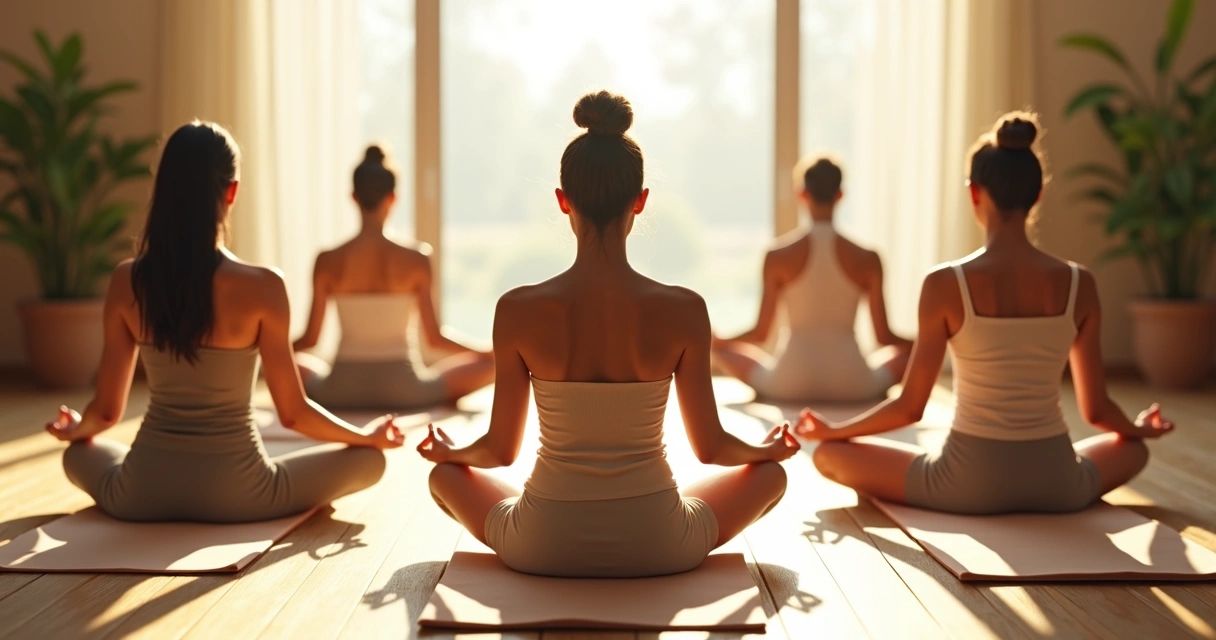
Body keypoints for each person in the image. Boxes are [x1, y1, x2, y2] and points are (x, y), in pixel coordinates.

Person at [416, 91, 799, 578]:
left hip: (541, 544)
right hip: (660, 542)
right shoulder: (685, 309)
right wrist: (764, 451)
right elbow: (711, 448)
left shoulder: (516, 309)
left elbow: (498, 451)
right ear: (640, 202)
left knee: (444, 476)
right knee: (771, 476)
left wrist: (452, 453)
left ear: (562, 201)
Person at [796, 112, 1174, 515]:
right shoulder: (1081, 283)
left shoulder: (944, 284)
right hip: (1060, 483)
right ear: (1038, 195)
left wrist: (834, 431)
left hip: (964, 486)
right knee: (1133, 449)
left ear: (974, 193)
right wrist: (1137, 429)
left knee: (829, 455)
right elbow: (1097, 410)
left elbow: (910, 407)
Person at [45, 122, 404, 523]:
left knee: (79, 451)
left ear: (162, 189)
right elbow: (294, 414)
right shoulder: (264, 286)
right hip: (243, 495)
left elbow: (107, 413)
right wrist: (365, 437)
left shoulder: (126, 280)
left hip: (141, 491)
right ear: (231, 191)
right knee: (370, 461)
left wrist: (77, 428)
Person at [293, 146, 493, 411]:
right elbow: (435, 338)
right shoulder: (418, 258)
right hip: (406, 391)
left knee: (283, 363)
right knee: (494, 365)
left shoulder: (327, 259)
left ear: (353, 197)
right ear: (393, 198)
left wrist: (265, 348)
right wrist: (484, 351)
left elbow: (309, 340)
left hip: (340, 390)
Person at [713, 155, 912, 403]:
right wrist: (925, 341)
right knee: (913, 354)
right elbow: (884, 337)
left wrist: (721, 341)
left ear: (802, 194)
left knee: (719, 350)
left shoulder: (776, 255)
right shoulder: (869, 258)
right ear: (840, 195)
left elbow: (761, 333)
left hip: (789, 382)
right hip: (853, 382)